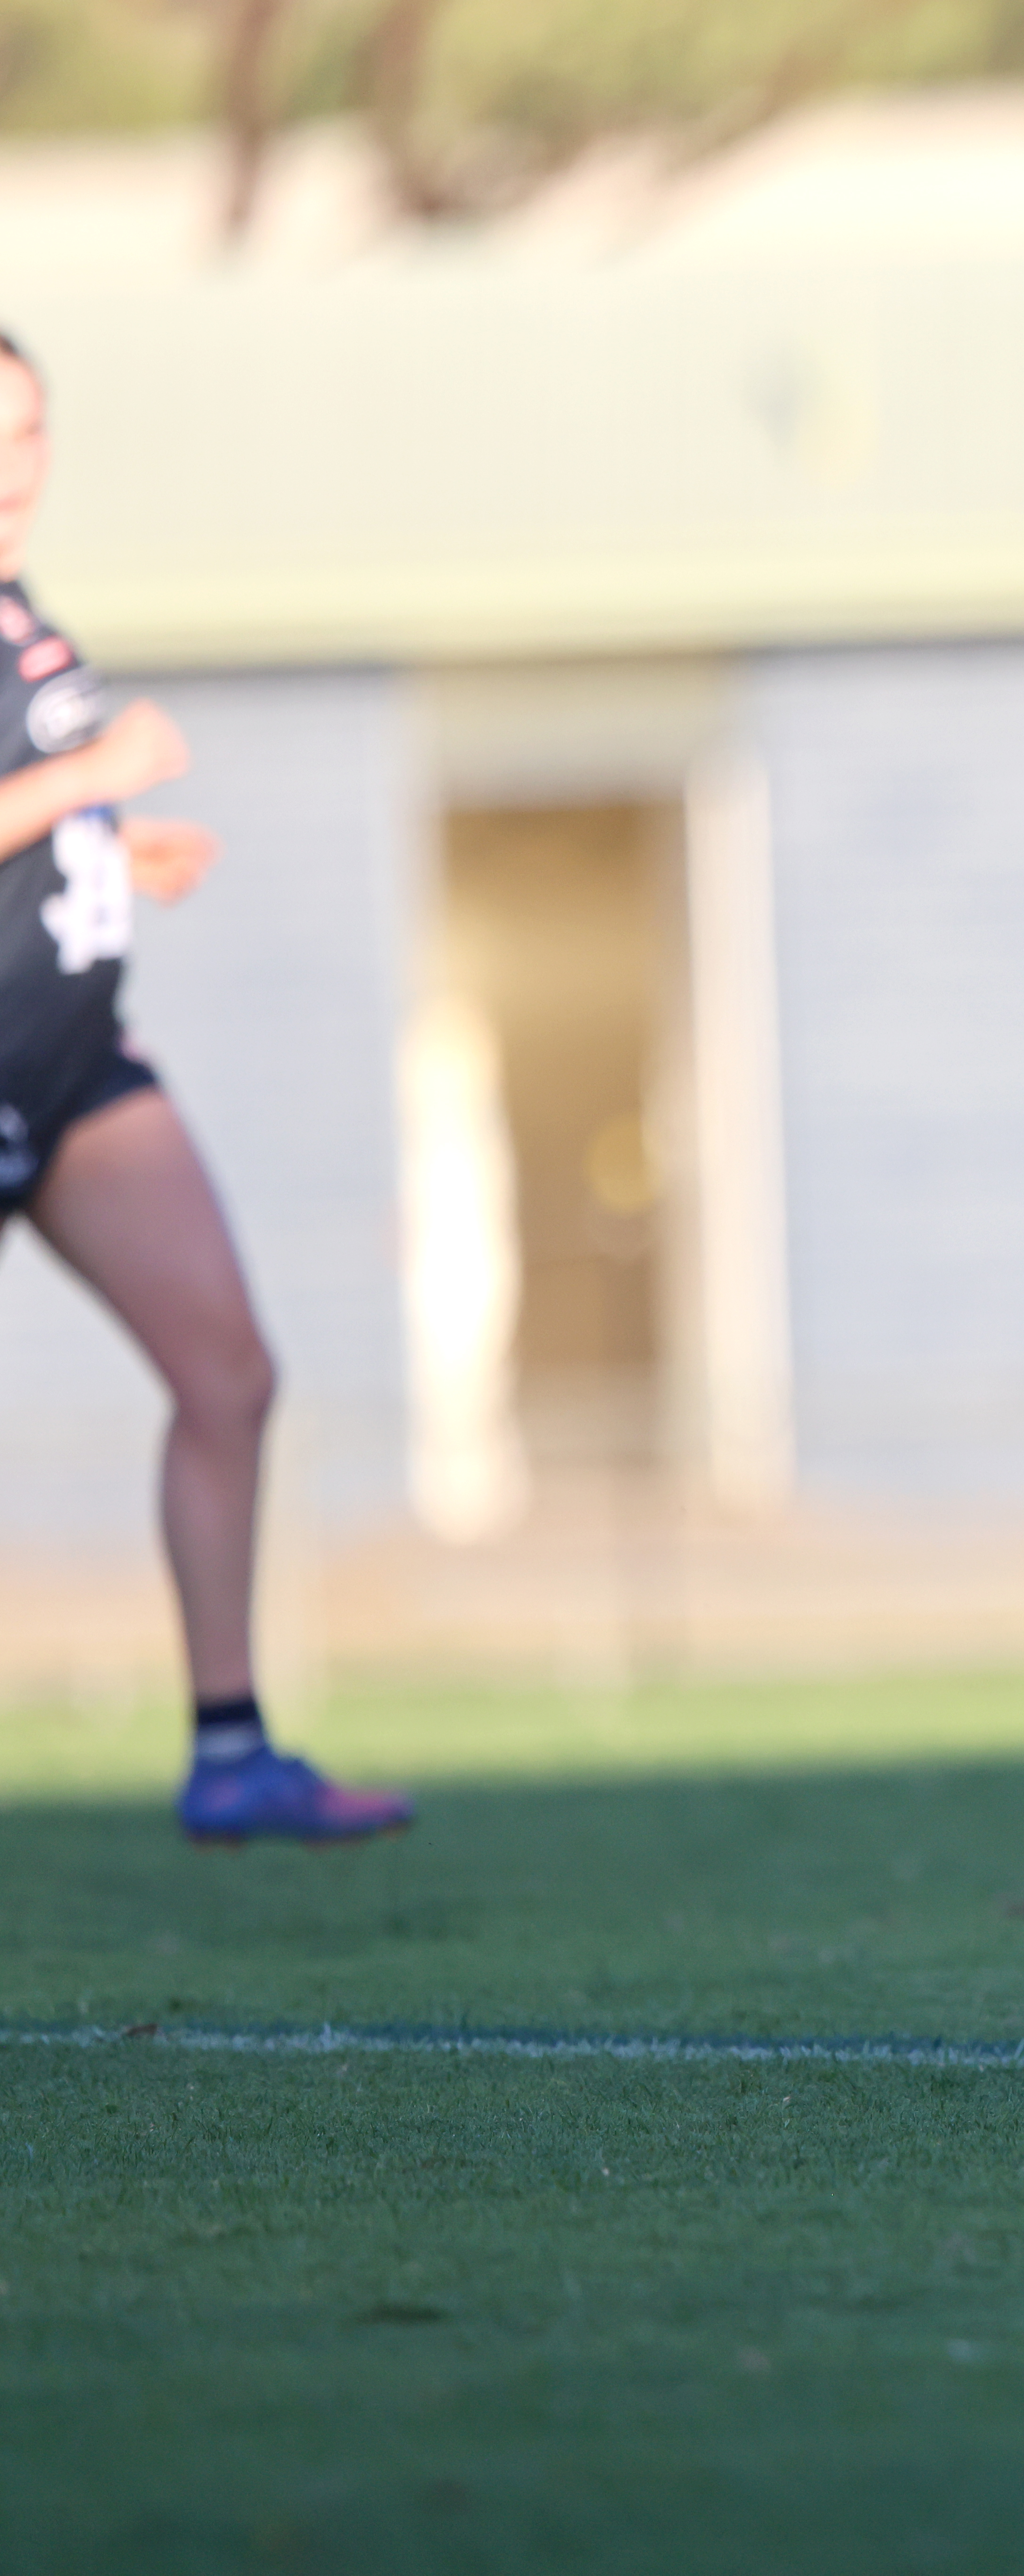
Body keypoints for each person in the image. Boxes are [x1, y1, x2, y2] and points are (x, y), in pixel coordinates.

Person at [0, 328, 410, 1845]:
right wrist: (90, 787)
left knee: (229, 1374)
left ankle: (231, 1753)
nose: (12, 469)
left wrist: (104, 851)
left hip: (69, 1077)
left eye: (30, 433)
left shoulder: (22, 613)